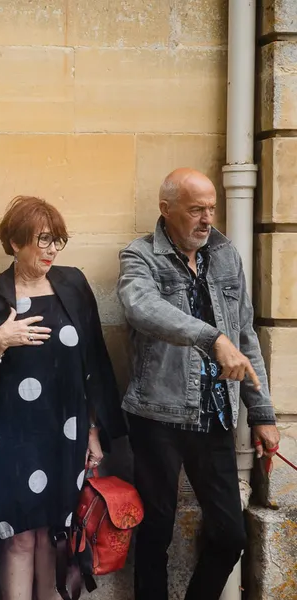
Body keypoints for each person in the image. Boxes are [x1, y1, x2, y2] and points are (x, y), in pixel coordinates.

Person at [0, 195, 127, 600]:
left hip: (63, 435)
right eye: (42, 240)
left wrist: (94, 430)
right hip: (5, 440)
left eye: (57, 240)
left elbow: (93, 362)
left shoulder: (73, 285)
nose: (51, 250)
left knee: (55, 537)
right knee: (18, 539)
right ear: (15, 243)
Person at [116, 168, 280, 600]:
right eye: (196, 210)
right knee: (156, 530)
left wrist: (262, 412)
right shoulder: (140, 256)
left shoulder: (226, 254)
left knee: (230, 534)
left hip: (215, 417)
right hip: (157, 415)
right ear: (165, 210)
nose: (207, 219)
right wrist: (211, 337)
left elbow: (244, 335)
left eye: (211, 208)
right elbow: (141, 306)